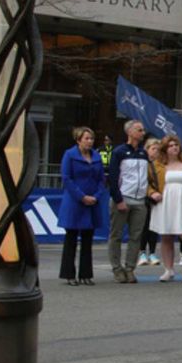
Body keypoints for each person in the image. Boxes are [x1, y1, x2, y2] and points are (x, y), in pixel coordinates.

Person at [148, 135, 182, 285]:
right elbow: (148, 183)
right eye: (171, 145)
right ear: (165, 148)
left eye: (176, 145)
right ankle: (168, 269)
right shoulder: (157, 165)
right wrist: (152, 193)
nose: (174, 147)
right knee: (166, 236)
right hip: (165, 202)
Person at [59, 126, 107, 286]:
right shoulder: (70, 155)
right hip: (75, 202)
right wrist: (81, 196)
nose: (89, 141)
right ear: (78, 140)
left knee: (88, 239)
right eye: (86, 139)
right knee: (71, 238)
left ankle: (86, 274)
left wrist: (96, 196)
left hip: (92, 201)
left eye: (91, 139)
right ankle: (68, 274)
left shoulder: (96, 157)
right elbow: (66, 178)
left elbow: (101, 180)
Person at [107, 119, 150, 283]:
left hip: (140, 200)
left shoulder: (143, 153)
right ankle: (117, 268)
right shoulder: (119, 152)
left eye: (143, 130)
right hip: (123, 198)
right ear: (130, 132)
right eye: (139, 130)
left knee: (136, 236)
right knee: (116, 235)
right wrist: (118, 199)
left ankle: (130, 268)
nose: (142, 133)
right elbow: (112, 177)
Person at [138, 138, 162, 267]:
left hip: (157, 200)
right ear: (147, 150)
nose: (156, 152)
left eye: (158, 149)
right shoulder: (143, 163)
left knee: (154, 227)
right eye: (153, 149)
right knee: (144, 226)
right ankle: (142, 252)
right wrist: (151, 192)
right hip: (145, 198)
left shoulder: (161, 164)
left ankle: (152, 252)